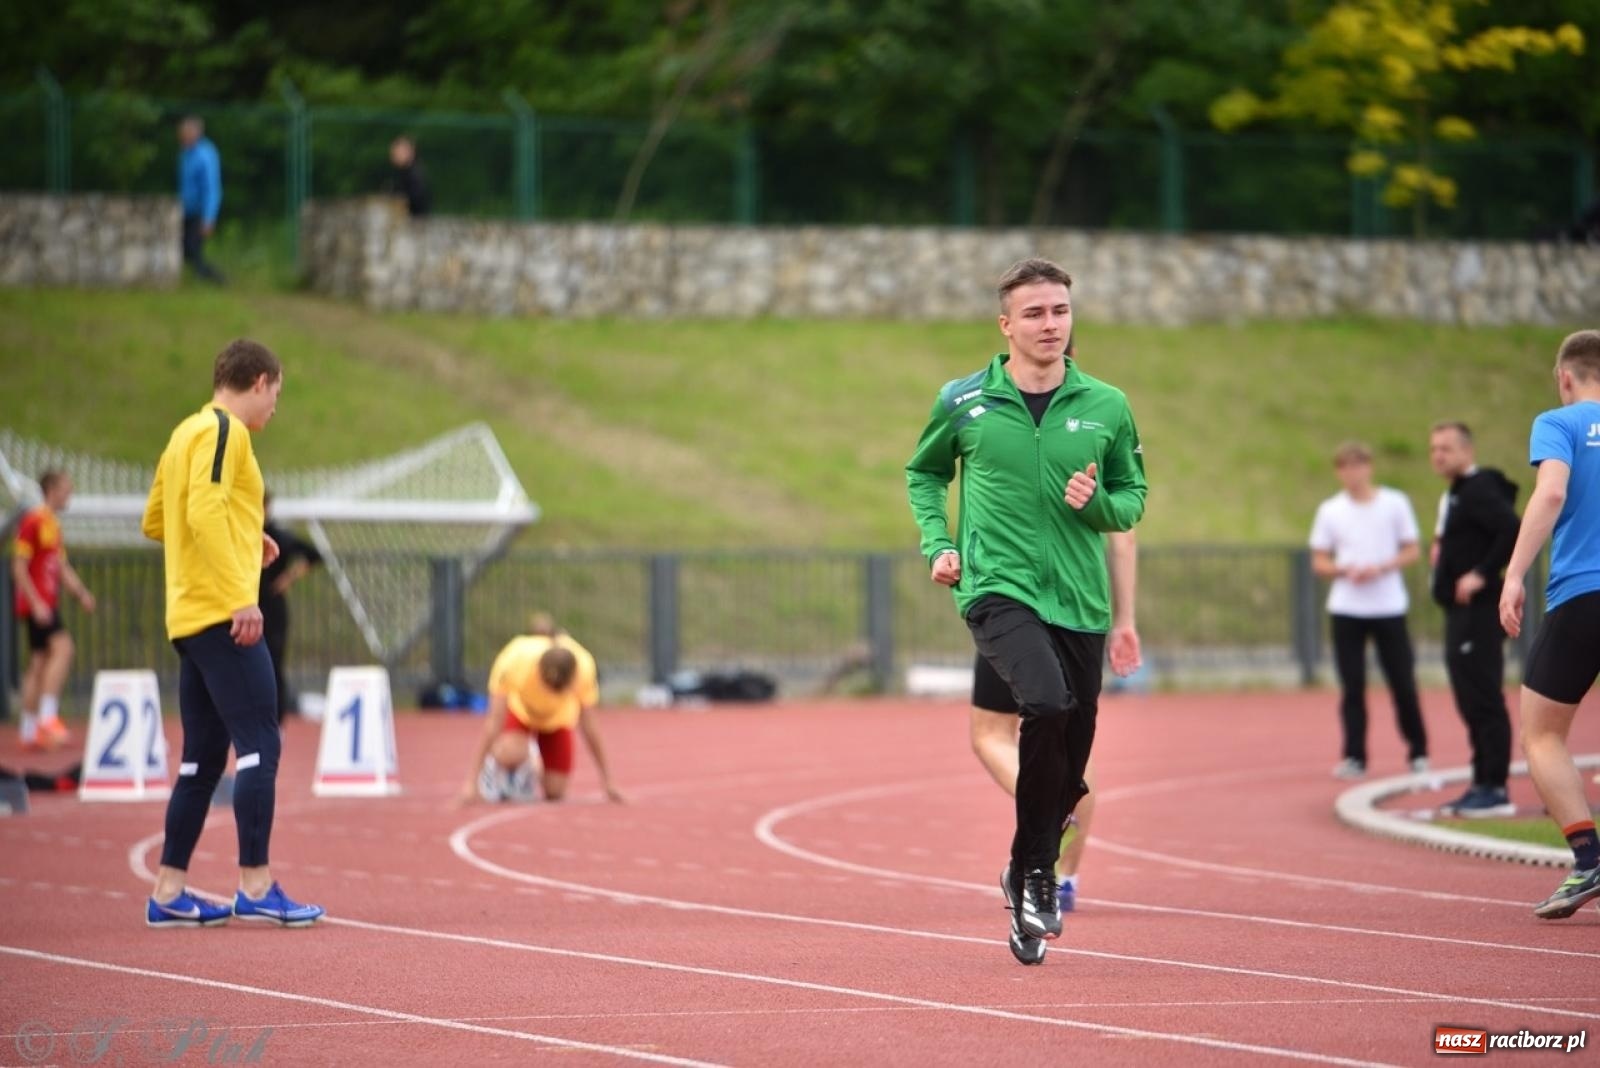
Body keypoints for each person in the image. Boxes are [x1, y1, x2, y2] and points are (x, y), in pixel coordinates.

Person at [906, 257, 1146, 966]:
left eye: (1061, 311)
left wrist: (1095, 505)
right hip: (996, 586)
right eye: (1036, 313)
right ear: (1006, 324)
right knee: (1042, 702)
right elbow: (923, 472)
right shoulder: (964, 401)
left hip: (1079, 600)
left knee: (1072, 758)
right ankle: (1038, 874)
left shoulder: (1106, 404)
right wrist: (938, 543)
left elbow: (1133, 497)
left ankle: (1023, 868)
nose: (1051, 324)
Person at [141, 338, 323, 928]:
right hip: (222, 613)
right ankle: (255, 884)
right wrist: (241, 593)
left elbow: (158, 519)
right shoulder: (226, 432)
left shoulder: (182, 433)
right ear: (260, 382)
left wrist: (249, 539)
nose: (275, 408)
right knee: (260, 745)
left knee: (201, 760)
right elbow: (203, 513)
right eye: (277, 395)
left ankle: (168, 891)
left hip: (188, 617)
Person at [969, 529, 1141, 916]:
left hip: (1018, 595)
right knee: (1072, 738)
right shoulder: (1102, 467)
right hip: (1082, 604)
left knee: (989, 732)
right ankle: (1065, 878)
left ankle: (1051, 810)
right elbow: (1123, 537)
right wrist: (1125, 620)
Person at [1499, 329, 1600, 920]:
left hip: (1583, 594)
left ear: (1565, 377)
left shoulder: (1557, 422)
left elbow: (1552, 491)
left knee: (1541, 734)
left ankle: (1588, 858)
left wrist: (1514, 576)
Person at [1308, 441, 1429, 780]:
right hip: (1347, 608)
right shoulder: (1330, 510)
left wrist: (1381, 567)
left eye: (1357, 466)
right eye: (1345, 467)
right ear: (1338, 472)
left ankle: (1418, 750)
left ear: (1369, 468)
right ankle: (1355, 756)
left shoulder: (1394, 504)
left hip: (1388, 605)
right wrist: (1344, 570)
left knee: (1402, 682)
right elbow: (1319, 559)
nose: (1352, 474)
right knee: (1352, 686)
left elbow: (1412, 550)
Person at [1427, 421, 1519, 817]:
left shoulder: (1480, 488)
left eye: (1445, 449)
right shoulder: (1458, 493)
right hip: (1459, 612)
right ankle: (1480, 782)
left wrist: (1482, 572)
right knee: (1468, 698)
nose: (1438, 456)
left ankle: (1495, 788)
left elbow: (1512, 529)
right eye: (1433, 449)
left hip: (1479, 613)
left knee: (1483, 696)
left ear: (1467, 451)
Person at [454, 624, 624, 806]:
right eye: (549, 687)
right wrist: (471, 782)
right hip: (522, 712)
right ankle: (516, 754)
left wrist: (608, 780)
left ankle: (532, 761)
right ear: (539, 672)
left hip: (557, 719)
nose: (552, 693)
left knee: (555, 792)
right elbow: (494, 721)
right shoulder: (515, 660)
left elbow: (590, 725)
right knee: (511, 752)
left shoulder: (584, 668)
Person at [12, 470, 95, 750]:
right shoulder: (33, 521)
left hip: (45, 603)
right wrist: (35, 602)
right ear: (50, 489)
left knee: (37, 663)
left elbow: (60, 567)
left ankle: (27, 729)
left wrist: (81, 593)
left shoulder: (52, 525)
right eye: (64, 488)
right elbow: (18, 566)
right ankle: (47, 718)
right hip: (39, 605)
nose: (68, 493)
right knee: (64, 648)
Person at [260, 491, 323, 724]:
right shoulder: (240, 535)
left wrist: (289, 577)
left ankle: (277, 721)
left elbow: (314, 555)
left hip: (272, 608)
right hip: (243, 607)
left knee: (274, 665)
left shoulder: (279, 537)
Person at [177, 116, 224, 284]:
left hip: (199, 212)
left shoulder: (205, 155)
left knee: (192, 249)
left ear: (195, 133)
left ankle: (217, 280)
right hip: (186, 211)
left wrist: (209, 218)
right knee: (187, 250)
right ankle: (204, 279)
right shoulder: (185, 153)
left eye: (184, 133)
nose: (181, 137)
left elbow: (211, 189)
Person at [384, 136, 432, 219]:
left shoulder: (415, 174)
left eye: (397, 152)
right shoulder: (401, 173)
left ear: (409, 152)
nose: (393, 156)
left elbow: (416, 201)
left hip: (415, 222)